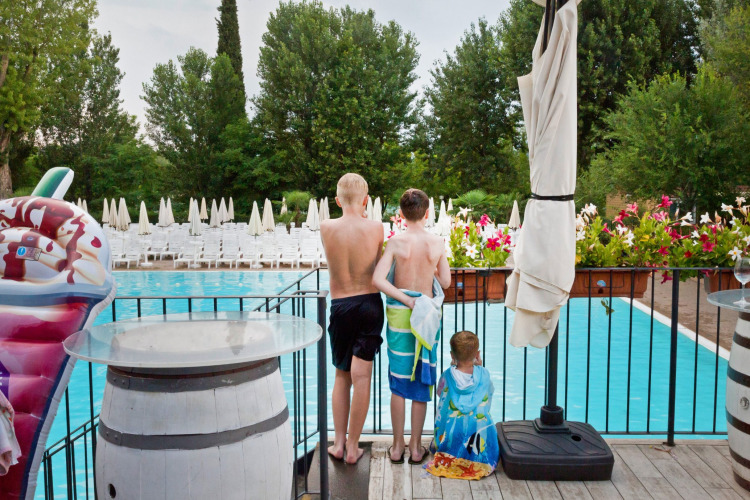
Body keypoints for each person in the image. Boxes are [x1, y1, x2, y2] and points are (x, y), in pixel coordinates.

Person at [372, 188, 451, 465]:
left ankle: (397, 447)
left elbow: (378, 280)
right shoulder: (437, 242)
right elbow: (446, 282)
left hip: (401, 319)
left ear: (402, 215)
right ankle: (416, 449)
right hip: (427, 318)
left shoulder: (396, 243)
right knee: (421, 380)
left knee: (398, 382)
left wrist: (406, 298)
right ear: (427, 213)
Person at [320, 173, 385, 465]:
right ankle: (354, 447)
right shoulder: (376, 228)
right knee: (363, 379)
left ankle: (338, 443)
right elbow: (379, 264)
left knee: (341, 376)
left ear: (336, 200)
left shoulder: (325, 227)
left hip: (340, 305)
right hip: (369, 304)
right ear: (366, 200)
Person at [427, 331, 499, 479]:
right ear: (477, 354)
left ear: (452, 355)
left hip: (453, 431)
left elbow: (441, 393)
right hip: (478, 434)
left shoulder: (447, 375)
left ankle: (447, 449)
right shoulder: (484, 374)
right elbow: (489, 392)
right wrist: (480, 367)